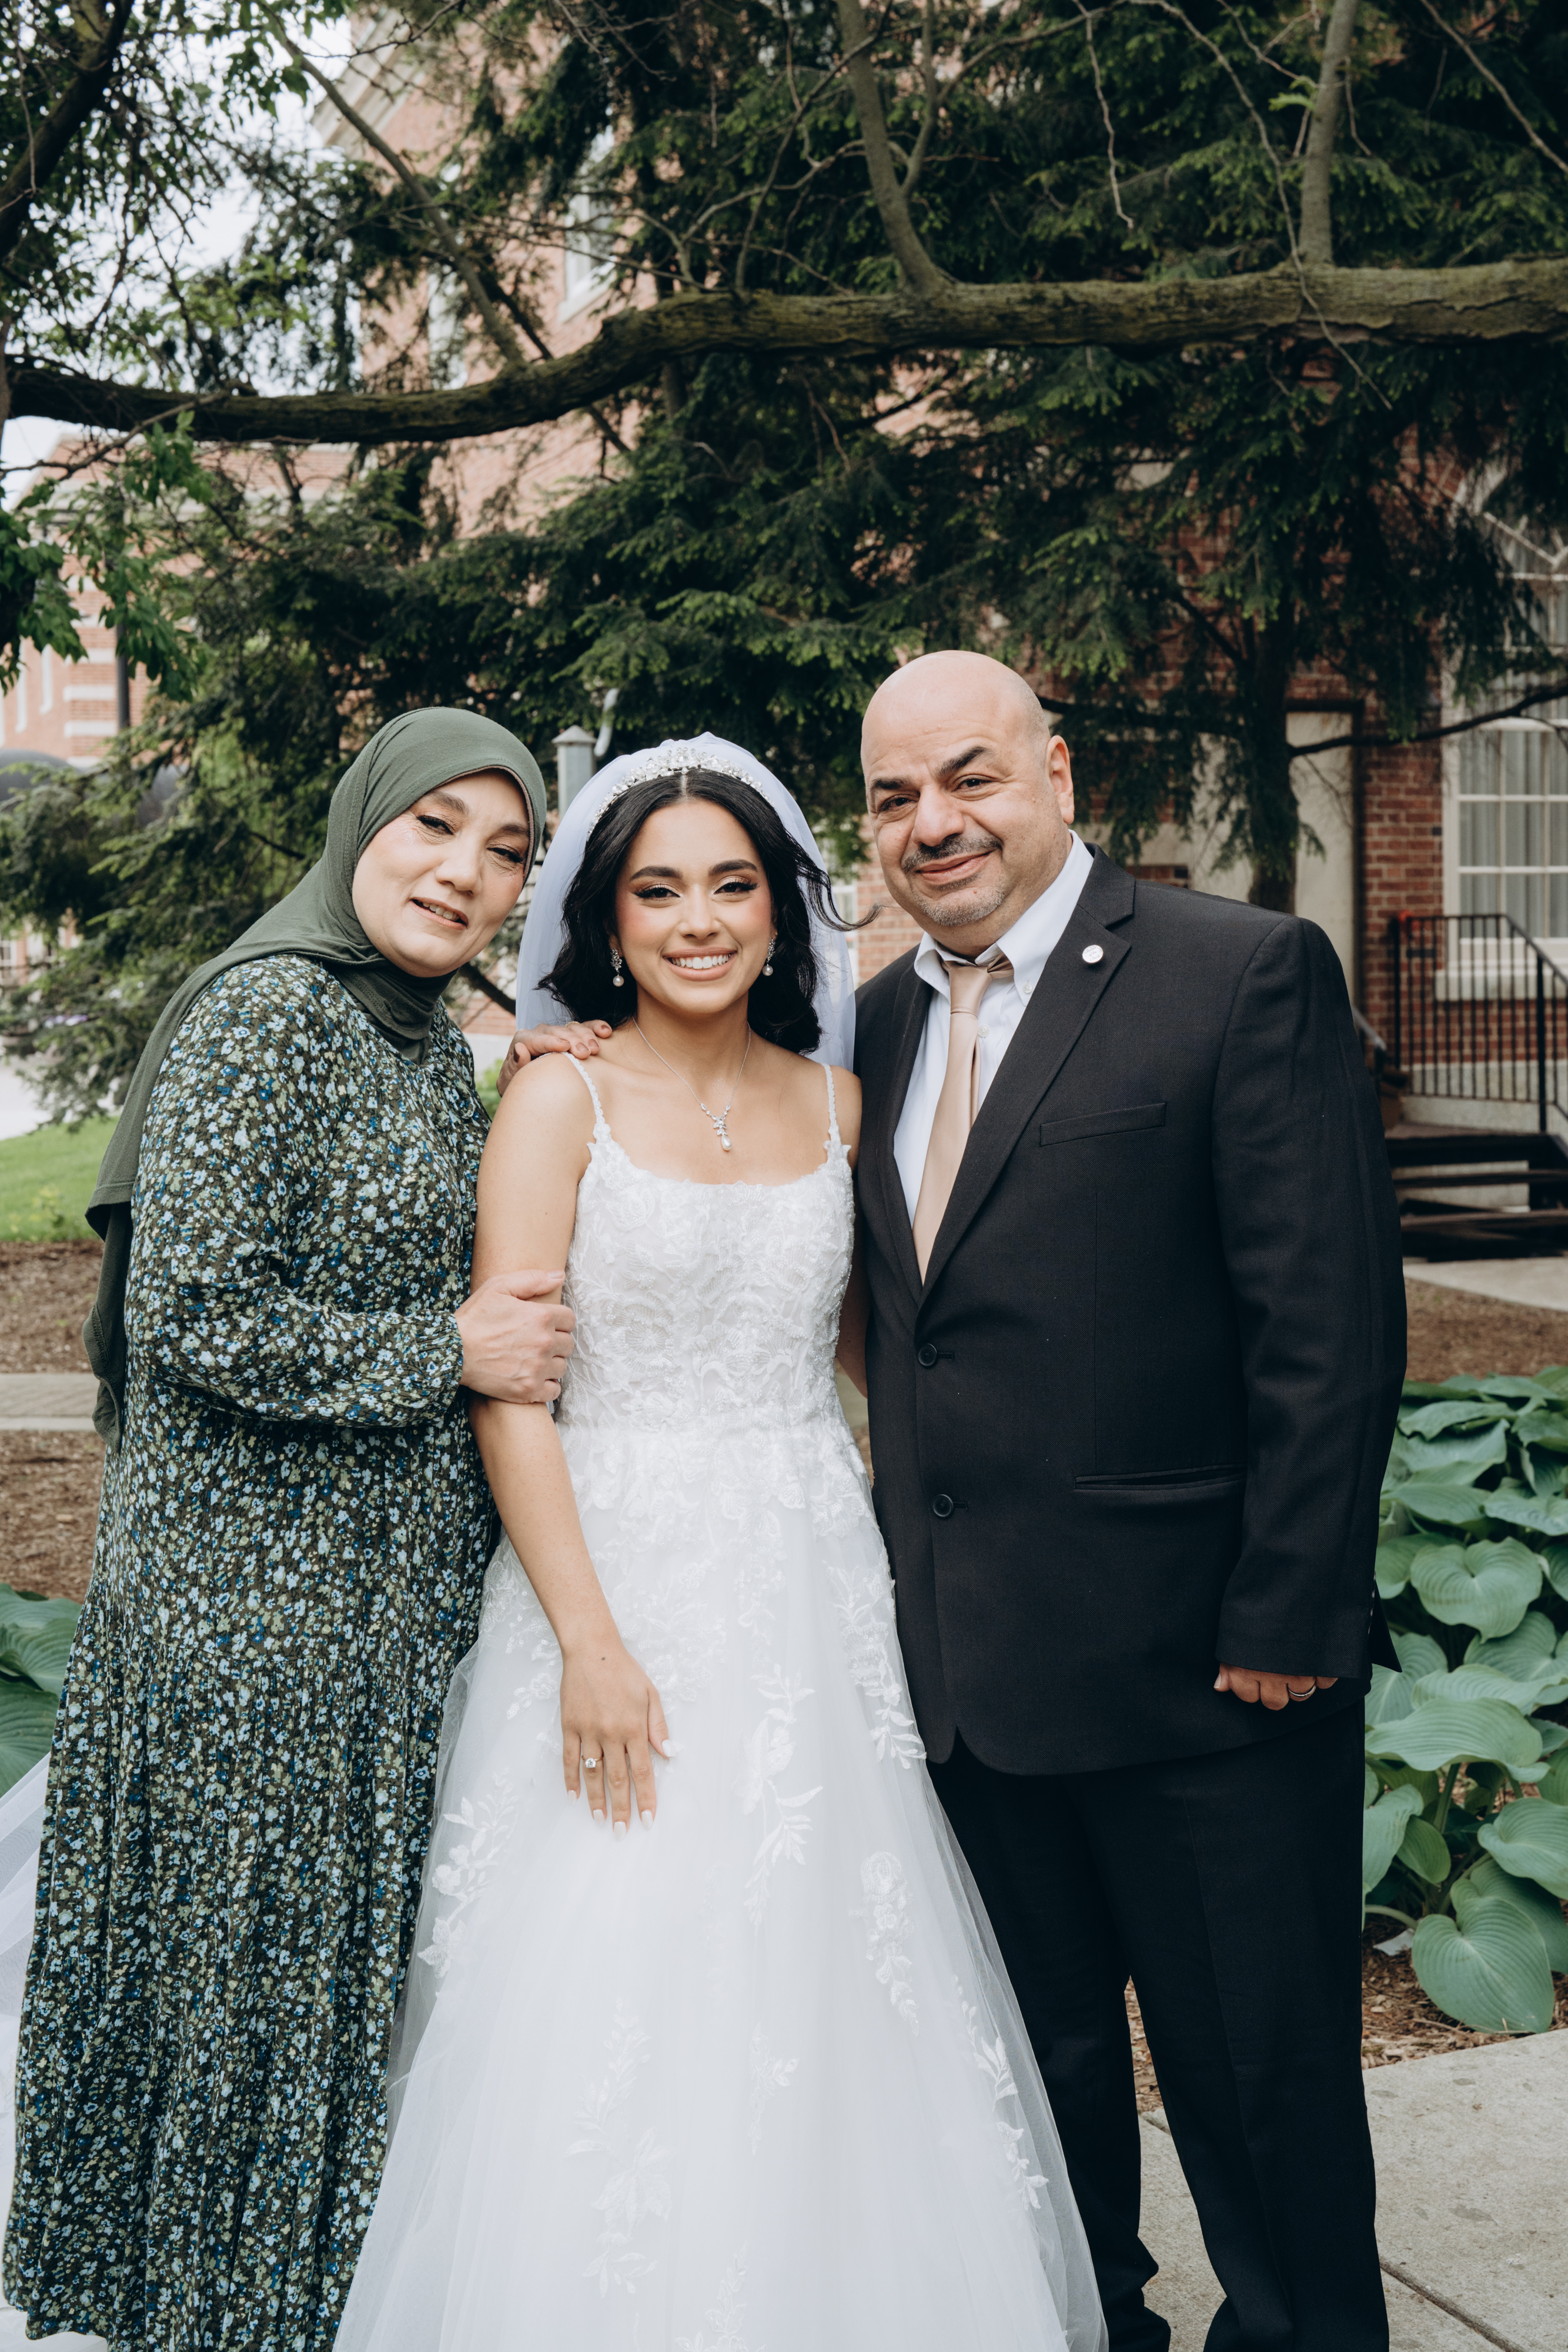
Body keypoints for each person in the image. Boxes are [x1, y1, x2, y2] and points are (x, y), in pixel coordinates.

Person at [335, 736, 1106, 2352]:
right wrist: (591, 1646)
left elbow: (877, 1353)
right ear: (610, 923)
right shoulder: (557, 1097)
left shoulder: (841, 1103)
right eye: (659, 890)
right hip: (612, 1570)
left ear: (780, 912)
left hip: (813, 1588)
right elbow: (512, 1394)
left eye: (733, 886)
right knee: (619, 1955)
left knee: (824, 1955)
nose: (699, 920)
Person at [2, 710, 600, 2352]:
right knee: (237, 2002)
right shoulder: (268, 1011)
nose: (465, 873)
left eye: (506, 850)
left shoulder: (410, 1031)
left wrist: (539, 1070)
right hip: (243, 1612)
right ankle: (211, 2311)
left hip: (368, 1607)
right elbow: (195, 1313)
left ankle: (260, 2305)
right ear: (362, 826)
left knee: (302, 2003)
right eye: (435, 827)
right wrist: (447, 1352)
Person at [850, 651, 1406, 2351]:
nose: (933, 823)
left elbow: (1326, 1330)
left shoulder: (1237, 973)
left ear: (1058, 774)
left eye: (969, 777)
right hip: (969, 1691)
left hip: (1208, 1683)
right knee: (1037, 2098)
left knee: (1264, 2098)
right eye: (892, 797)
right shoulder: (868, 1032)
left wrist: (1289, 1613)